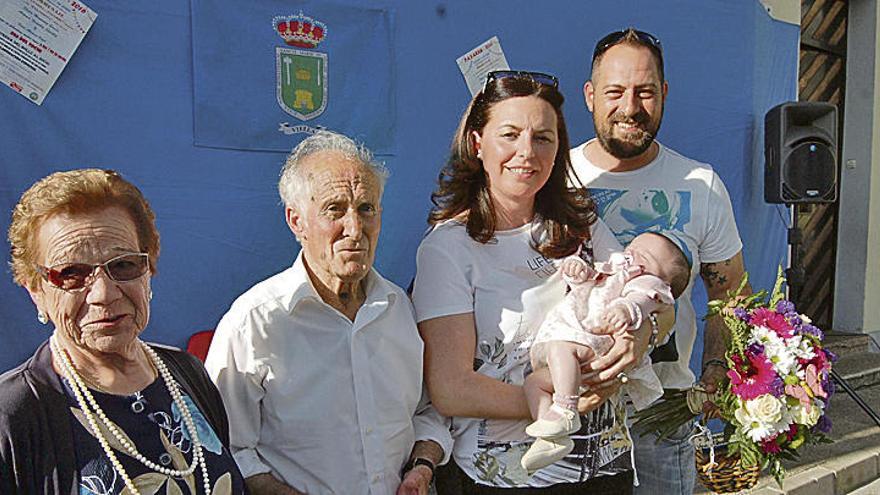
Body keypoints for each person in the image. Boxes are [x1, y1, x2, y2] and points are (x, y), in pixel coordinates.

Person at [412, 70, 669, 494]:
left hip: (606, 465)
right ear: (477, 144)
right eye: (509, 135)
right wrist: (568, 402)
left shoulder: (581, 224)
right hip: (511, 477)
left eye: (543, 138)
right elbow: (450, 388)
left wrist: (638, 338)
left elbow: (652, 292)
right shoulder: (448, 249)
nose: (526, 152)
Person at [205, 130, 448, 495]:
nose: (355, 228)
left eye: (366, 209)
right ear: (296, 221)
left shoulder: (399, 310)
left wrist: (422, 468)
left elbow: (428, 412)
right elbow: (224, 446)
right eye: (335, 209)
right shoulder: (255, 322)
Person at [570, 28, 749, 494]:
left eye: (644, 91)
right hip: (573, 401)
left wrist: (715, 372)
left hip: (662, 413)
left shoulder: (701, 185)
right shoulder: (555, 178)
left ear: (664, 94)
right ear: (589, 95)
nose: (630, 107)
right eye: (614, 92)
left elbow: (730, 296)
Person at [0, 169, 247, 495]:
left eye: (123, 265)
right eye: (71, 274)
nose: (104, 293)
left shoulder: (186, 373)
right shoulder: (13, 414)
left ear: (149, 269)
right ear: (35, 289)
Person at [521, 232, 691, 472]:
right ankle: (551, 437)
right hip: (585, 338)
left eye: (645, 255)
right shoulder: (615, 271)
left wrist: (626, 309)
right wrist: (578, 271)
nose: (633, 253)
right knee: (534, 384)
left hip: (598, 341)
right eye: (633, 246)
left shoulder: (646, 282)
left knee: (561, 349)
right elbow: (590, 286)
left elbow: (643, 300)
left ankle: (565, 410)